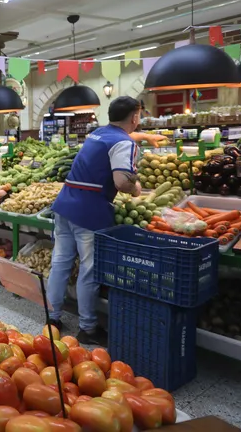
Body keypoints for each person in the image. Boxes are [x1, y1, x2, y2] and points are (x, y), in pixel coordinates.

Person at [47, 96, 144, 346]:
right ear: (134, 117)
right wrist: (136, 189)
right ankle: (88, 327)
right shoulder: (124, 142)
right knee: (89, 270)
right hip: (89, 212)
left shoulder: (97, 134)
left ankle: (53, 318)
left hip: (65, 203)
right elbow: (122, 181)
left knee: (60, 263)